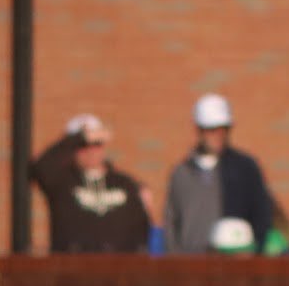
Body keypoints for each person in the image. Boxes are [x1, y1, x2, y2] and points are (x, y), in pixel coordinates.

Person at [163, 94, 273, 254]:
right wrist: (175, 259)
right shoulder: (182, 173)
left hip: (234, 262)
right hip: (191, 263)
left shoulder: (244, 168)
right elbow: (171, 221)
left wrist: (255, 253)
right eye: (212, 130)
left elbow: (262, 214)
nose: (219, 136)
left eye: (224, 129)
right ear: (199, 130)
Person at [29, 114, 151, 253]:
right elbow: (39, 168)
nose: (91, 151)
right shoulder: (61, 182)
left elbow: (141, 228)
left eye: (97, 144)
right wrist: (77, 138)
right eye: (83, 145)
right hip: (72, 268)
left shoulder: (124, 183)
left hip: (119, 269)